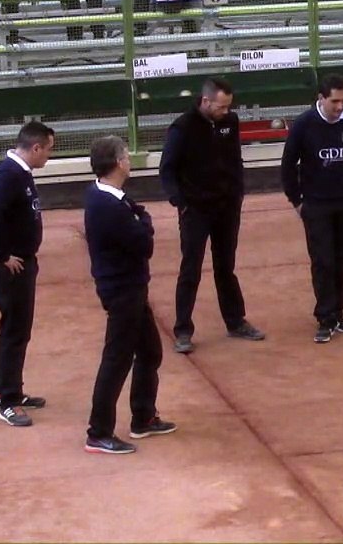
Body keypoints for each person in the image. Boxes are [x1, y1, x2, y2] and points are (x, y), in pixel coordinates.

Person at [83, 136, 176, 454]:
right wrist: (144, 221)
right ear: (118, 162)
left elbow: (137, 222)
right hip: (123, 291)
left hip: (130, 288)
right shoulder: (109, 206)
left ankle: (143, 417)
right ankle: (98, 432)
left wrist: (140, 219)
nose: (129, 160)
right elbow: (144, 243)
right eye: (125, 155)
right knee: (116, 360)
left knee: (149, 351)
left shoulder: (106, 196)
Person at [159, 78, 265, 353]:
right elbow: (167, 169)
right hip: (195, 210)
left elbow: (235, 159)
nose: (225, 112)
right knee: (190, 268)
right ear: (206, 101)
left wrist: (237, 194)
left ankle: (235, 321)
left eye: (228, 106)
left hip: (227, 207)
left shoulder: (230, 122)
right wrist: (180, 202)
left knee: (225, 266)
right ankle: (183, 329)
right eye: (221, 107)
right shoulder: (182, 127)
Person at [280, 73, 343, 344]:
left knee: (341, 259)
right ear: (321, 99)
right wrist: (297, 200)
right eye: (335, 101)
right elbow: (288, 165)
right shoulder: (304, 124)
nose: (340, 106)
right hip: (316, 204)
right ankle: (325, 317)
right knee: (322, 261)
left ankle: (338, 312)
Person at [0, 121, 55, 427]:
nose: (49, 156)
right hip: (10, 265)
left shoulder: (20, 173)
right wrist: (2, 254)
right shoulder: (10, 174)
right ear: (35, 148)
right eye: (48, 149)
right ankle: (8, 401)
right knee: (14, 329)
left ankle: (10, 389)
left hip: (21, 262)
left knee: (18, 329)